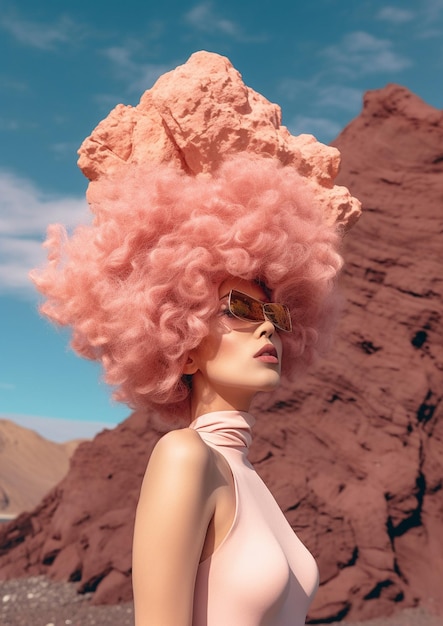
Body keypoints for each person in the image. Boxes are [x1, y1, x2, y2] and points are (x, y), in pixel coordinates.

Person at [31, 53, 360, 626]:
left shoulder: (246, 474)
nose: (267, 327)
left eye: (277, 314)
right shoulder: (184, 458)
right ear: (175, 325)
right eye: (239, 308)